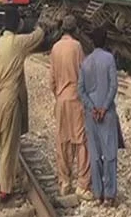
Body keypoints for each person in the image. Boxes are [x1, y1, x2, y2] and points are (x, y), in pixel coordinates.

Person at [0, 8, 45, 203]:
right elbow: (39, 35)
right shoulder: (18, 43)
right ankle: (6, 189)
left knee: (0, 143)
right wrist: (43, 19)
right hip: (9, 99)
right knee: (9, 145)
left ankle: (4, 179)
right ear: (17, 24)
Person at [78, 27, 125, 207]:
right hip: (107, 114)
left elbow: (80, 90)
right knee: (110, 154)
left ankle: (98, 193)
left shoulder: (85, 62)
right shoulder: (109, 59)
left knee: (95, 155)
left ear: (92, 42)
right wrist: (104, 108)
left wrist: (93, 108)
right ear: (105, 41)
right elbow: (113, 86)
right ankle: (110, 195)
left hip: (91, 115)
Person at [49, 15, 92, 200]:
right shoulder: (77, 47)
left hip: (60, 99)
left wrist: (58, 95)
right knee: (81, 142)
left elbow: (51, 80)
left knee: (63, 140)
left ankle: (65, 181)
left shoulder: (55, 48)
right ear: (75, 30)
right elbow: (84, 75)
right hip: (76, 99)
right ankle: (82, 184)